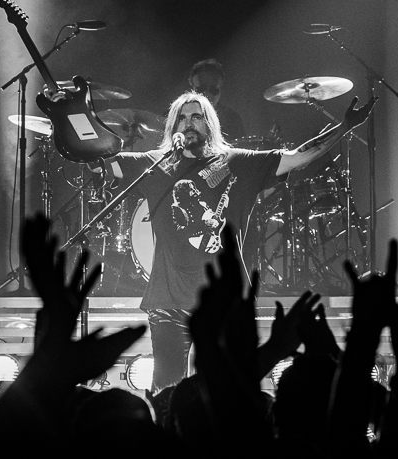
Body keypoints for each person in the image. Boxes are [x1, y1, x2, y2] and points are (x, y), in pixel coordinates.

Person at [104, 90, 376, 391]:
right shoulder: (156, 165)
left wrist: (344, 126)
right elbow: (100, 159)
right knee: (166, 393)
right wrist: (74, 118)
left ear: (209, 123)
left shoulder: (237, 162)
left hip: (225, 303)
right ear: (172, 127)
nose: (189, 123)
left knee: (227, 393)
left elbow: (297, 157)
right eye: (181, 118)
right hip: (169, 301)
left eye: (196, 117)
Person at [188, 59, 245, 141]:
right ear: (192, 89)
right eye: (201, 89)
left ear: (221, 90)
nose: (207, 94)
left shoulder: (232, 119)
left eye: (213, 89)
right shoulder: (179, 117)